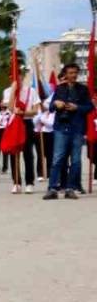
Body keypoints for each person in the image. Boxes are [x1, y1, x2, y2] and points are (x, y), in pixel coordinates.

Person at [44, 63, 93, 200]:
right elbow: (51, 108)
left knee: (76, 160)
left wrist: (77, 107)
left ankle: (71, 188)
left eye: (75, 73)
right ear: (65, 74)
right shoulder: (59, 89)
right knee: (57, 158)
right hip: (61, 127)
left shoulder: (83, 90)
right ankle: (53, 188)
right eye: (70, 73)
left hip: (77, 128)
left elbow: (89, 107)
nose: (73, 75)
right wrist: (56, 104)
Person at [3, 78, 40, 195]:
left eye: (18, 77)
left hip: (26, 123)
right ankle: (16, 182)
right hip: (13, 123)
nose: (16, 80)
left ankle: (29, 183)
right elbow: (9, 107)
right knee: (14, 154)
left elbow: (35, 110)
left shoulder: (31, 91)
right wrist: (13, 90)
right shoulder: (7, 91)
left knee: (28, 154)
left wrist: (23, 113)